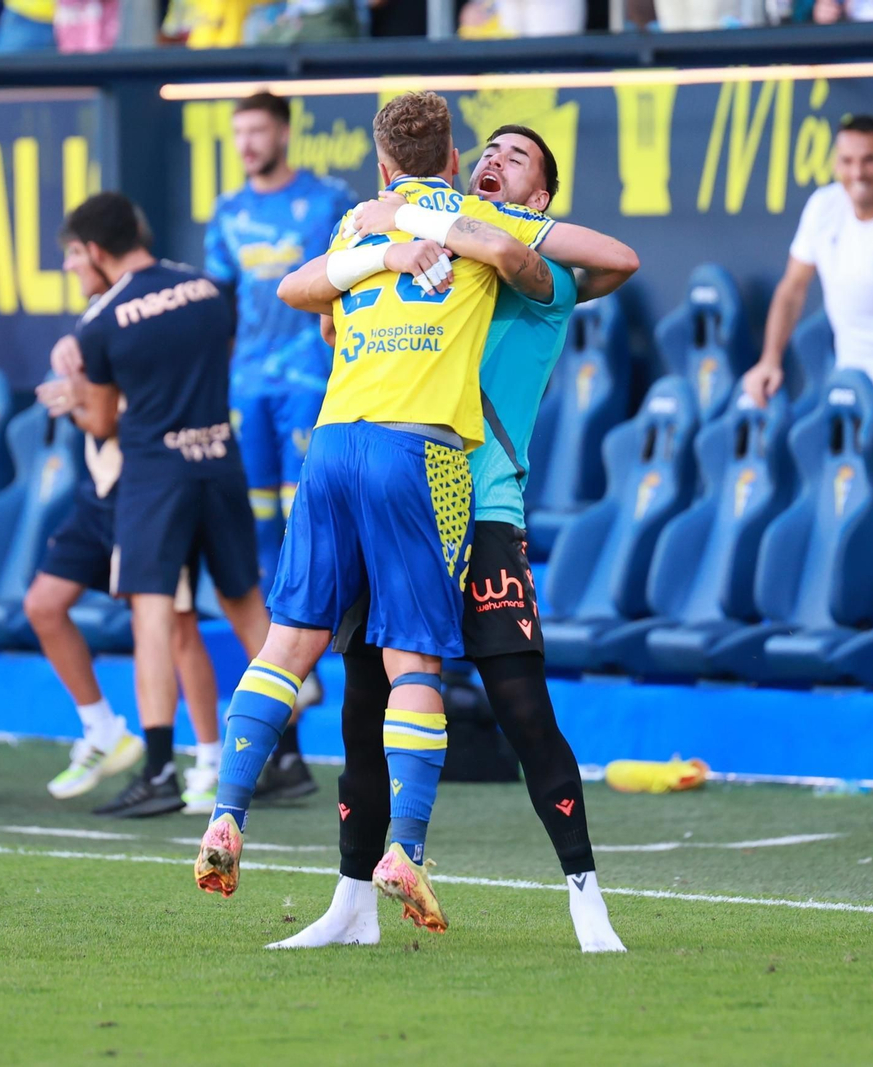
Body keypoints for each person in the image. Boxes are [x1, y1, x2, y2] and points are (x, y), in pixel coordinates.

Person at [191, 92, 564, 925]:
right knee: (414, 663)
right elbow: (550, 260)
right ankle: (407, 848)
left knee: (289, 639)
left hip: (331, 445)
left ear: (385, 163)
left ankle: (226, 813)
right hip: (419, 451)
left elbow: (302, 295)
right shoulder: (473, 215)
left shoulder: (361, 220)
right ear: (458, 161)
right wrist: (472, 239)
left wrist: (382, 250)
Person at [274, 124, 638, 952]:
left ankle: (587, 899)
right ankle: (352, 904)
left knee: (520, 705)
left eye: (517, 159)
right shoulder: (432, 256)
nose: (493, 162)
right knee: (365, 701)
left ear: (539, 196)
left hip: (482, 509)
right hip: (400, 497)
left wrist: (424, 220)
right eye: (487, 152)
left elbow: (615, 260)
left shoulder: (539, 278)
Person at [65, 192, 273, 817]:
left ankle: (157, 769)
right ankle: (279, 755)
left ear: (96, 251)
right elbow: (226, 356)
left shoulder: (101, 322)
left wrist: (75, 393)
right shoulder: (209, 289)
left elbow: (101, 421)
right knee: (245, 604)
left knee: (152, 614)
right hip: (220, 459)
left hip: (156, 477)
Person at [27, 267, 223, 815]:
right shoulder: (93, 323)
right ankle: (103, 729)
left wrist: (77, 398)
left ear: (98, 252)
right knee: (44, 604)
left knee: (177, 627)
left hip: (148, 488)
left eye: (75, 254)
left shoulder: (149, 317)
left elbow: (113, 418)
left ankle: (209, 762)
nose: (69, 267)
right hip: (100, 492)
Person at [204, 91, 355, 797]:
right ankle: (295, 668)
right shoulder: (227, 213)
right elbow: (219, 304)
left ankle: (313, 655)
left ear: (284, 132)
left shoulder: (327, 202)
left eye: (258, 129)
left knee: (304, 522)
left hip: (308, 379)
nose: (248, 142)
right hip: (246, 388)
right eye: (239, 132)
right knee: (256, 527)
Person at [742, 115, 873, 536]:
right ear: (837, 163)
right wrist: (770, 359)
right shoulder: (823, 208)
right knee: (847, 499)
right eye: (848, 161)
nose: (858, 172)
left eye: (869, 160)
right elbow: (792, 289)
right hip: (852, 382)